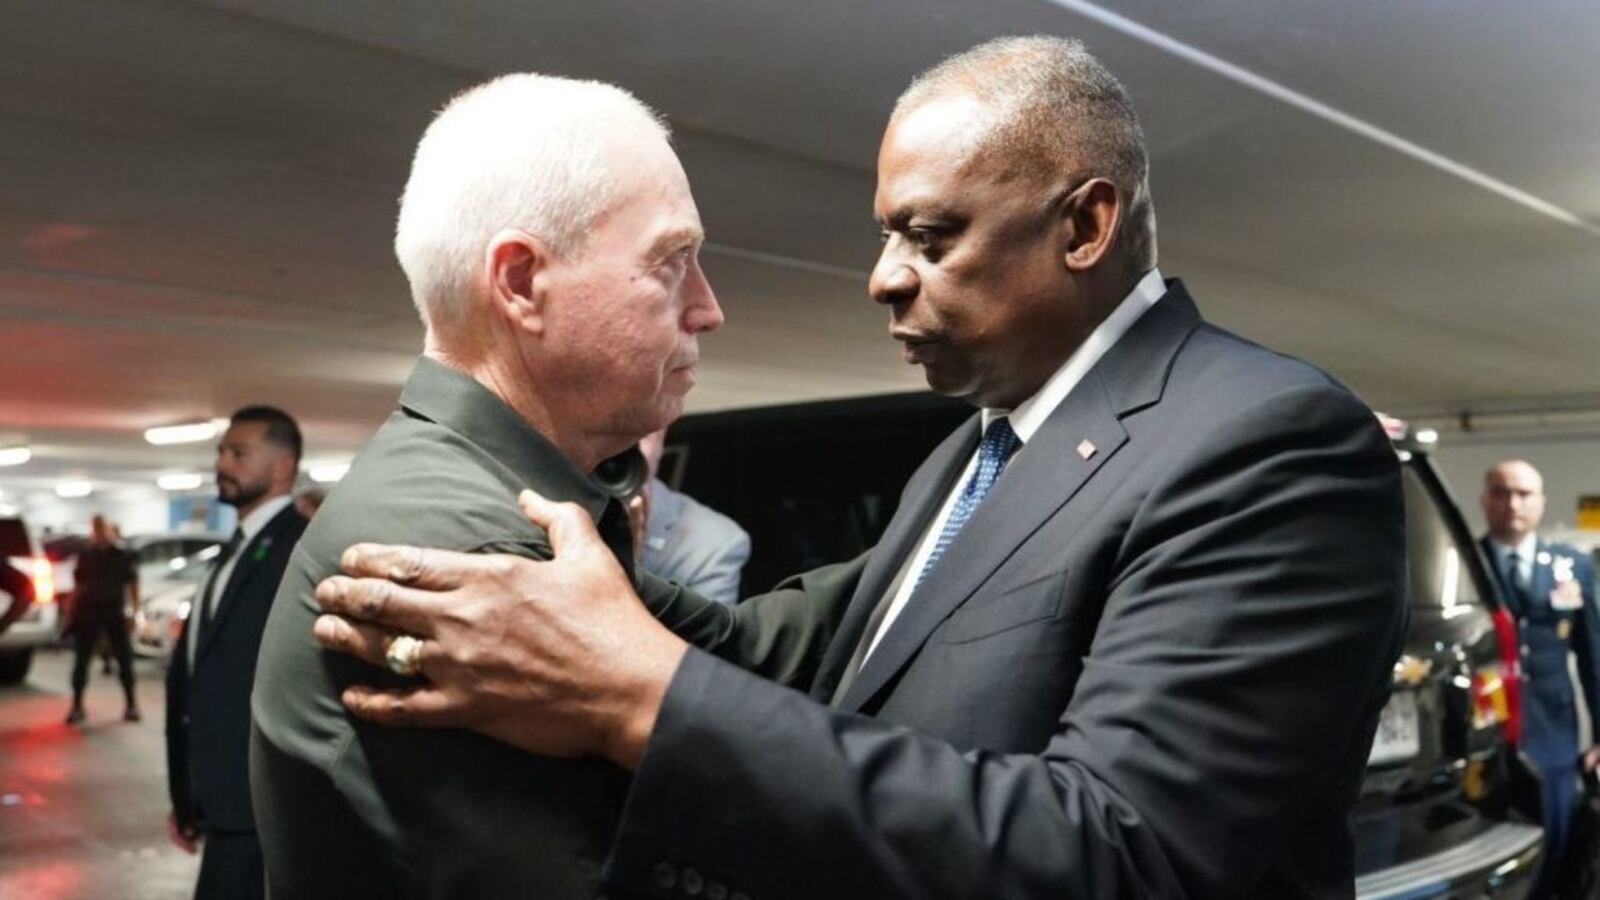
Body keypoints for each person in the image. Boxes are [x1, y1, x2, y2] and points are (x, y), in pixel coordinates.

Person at [312, 36, 1407, 899]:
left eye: (930, 238)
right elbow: (819, 659)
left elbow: (1118, 852)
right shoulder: (974, 450)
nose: (883, 279)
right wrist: (572, 610)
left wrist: (642, 696)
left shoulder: (1262, 441)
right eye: (887, 236)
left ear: (1085, 223)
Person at [248, 74, 722, 899]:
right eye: (672, 261)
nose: (707, 308)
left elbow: (744, 647)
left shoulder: (506, 495)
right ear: (520, 282)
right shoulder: (463, 545)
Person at [165, 405, 306, 900]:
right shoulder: (236, 548)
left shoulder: (299, 549)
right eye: (222, 451)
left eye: (239, 452)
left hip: (260, 805)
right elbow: (200, 675)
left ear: (283, 465)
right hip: (219, 798)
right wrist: (189, 794)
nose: (223, 463)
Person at [1479, 459, 1600, 872]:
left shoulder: (1572, 566)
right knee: (1491, 844)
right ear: (1484, 501)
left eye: (1524, 493)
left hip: (1553, 728)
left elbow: (1592, 654)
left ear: (1541, 502)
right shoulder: (1466, 563)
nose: (1512, 503)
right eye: (1501, 492)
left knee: (1559, 840)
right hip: (1488, 728)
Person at [636, 429, 749, 605]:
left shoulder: (712, 544)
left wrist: (629, 568)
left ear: (660, 436)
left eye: (635, 436)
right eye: (605, 436)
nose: (618, 452)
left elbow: (699, 632)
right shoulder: (577, 505)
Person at [64, 514, 138, 725]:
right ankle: (77, 706)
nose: (100, 534)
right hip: (89, 612)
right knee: (81, 661)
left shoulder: (122, 555)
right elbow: (78, 586)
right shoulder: (86, 555)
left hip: (114, 612)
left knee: (124, 659)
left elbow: (132, 584)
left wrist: (133, 612)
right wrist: (70, 612)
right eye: (96, 530)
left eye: (102, 529)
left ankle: (131, 704)